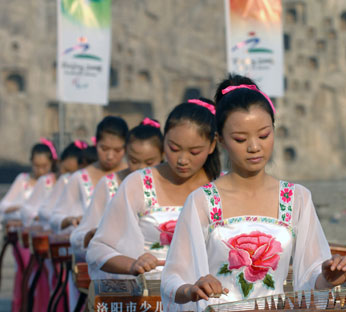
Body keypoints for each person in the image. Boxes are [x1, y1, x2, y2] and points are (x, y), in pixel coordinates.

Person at [161, 75, 346, 312]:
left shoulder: (296, 198)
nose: (254, 147)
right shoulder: (203, 201)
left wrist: (328, 278)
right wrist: (191, 289)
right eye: (240, 139)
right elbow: (173, 277)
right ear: (220, 140)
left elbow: (312, 273)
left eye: (263, 135)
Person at [87, 99, 220, 279]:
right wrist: (132, 264)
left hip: (207, 298)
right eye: (174, 148)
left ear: (212, 145)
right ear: (163, 141)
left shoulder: (221, 185)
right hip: (149, 297)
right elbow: (98, 248)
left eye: (194, 152)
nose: (182, 159)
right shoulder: (139, 183)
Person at [70, 118, 164, 277]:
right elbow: (85, 235)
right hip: (120, 275)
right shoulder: (109, 183)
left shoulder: (172, 184)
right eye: (134, 161)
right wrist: (91, 235)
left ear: (163, 155)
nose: (141, 169)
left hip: (166, 277)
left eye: (149, 162)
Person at [0, 138, 56, 312]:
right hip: (25, 236)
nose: (40, 171)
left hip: (46, 234)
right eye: (36, 166)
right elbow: (4, 207)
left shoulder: (53, 182)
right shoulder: (23, 180)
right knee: (26, 270)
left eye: (44, 166)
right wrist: (23, 210)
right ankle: (26, 311)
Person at [50, 116, 128, 233]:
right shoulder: (80, 178)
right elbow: (55, 216)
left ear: (126, 147)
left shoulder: (132, 175)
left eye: (117, 150)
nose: (110, 156)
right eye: (104, 148)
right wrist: (71, 219)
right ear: (96, 143)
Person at [20, 140, 87, 227]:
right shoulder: (48, 181)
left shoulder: (79, 184)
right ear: (59, 163)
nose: (68, 177)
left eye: (72, 173)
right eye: (66, 170)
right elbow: (34, 210)